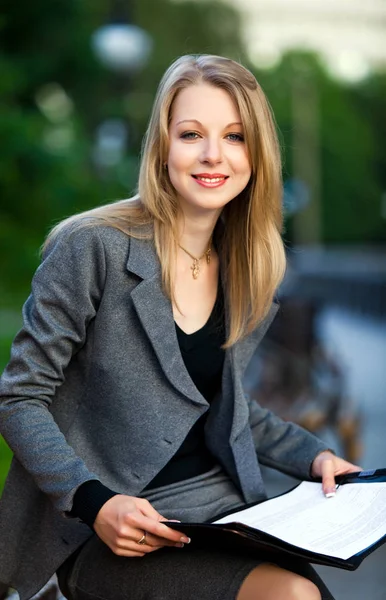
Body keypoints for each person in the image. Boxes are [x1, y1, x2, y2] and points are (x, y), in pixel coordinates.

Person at [0, 54, 360, 600]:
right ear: (162, 146)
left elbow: (231, 408)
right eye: (191, 133)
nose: (214, 154)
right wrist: (93, 500)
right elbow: (20, 397)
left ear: (256, 154)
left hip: (221, 510)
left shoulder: (250, 269)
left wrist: (313, 457)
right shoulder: (92, 247)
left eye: (235, 136)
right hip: (109, 526)